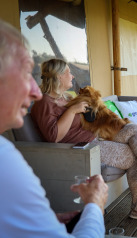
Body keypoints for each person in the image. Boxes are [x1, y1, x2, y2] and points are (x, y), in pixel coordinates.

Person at [30, 58, 137, 220]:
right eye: (69, 72)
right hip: (82, 148)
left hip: (96, 136)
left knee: (135, 128)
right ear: (59, 76)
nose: (72, 76)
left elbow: (83, 120)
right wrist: (72, 111)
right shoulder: (43, 103)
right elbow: (54, 137)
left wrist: (91, 108)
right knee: (136, 156)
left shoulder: (66, 98)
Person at [0, 19, 108, 237]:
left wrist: (44, 221)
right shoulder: (6, 159)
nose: (35, 92)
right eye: (23, 72)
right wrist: (94, 206)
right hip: (80, 151)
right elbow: (53, 136)